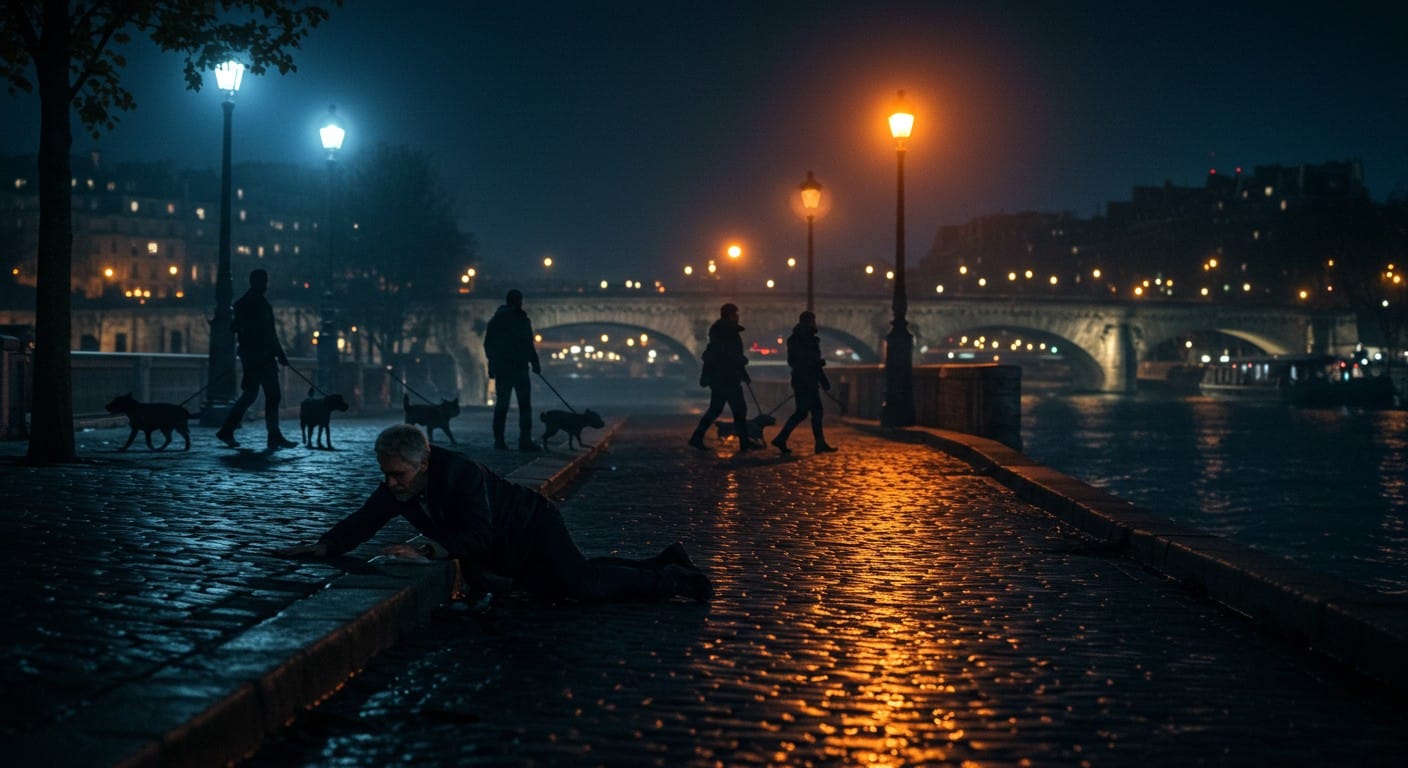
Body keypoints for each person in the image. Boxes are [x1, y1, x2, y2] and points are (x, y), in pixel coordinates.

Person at [272, 424, 711, 604]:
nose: (390, 484)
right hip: (506, 545)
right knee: (562, 582)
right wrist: (325, 545)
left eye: (398, 474)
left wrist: (426, 549)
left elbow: (477, 535)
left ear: (423, 463)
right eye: (386, 475)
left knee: (580, 585)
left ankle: (671, 581)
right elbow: (364, 520)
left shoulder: (459, 474)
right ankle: (664, 560)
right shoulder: (400, 486)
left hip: (532, 526)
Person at [216, 269, 297, 450]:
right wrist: (280, 354)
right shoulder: (259, 303)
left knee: (251, 395)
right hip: (263, 357)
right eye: (265, 281)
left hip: (252, 356)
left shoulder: (243, 303)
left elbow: (236, 328)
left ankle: (227, 430)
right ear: (259, 282)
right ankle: (272, 435)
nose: (266, 285)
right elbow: (268, 333)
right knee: (271, 395)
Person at [688, 303, 757, 451]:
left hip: (721, 378)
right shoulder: (728, 333)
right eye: (736, 313)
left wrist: (742, 371)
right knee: (739, 410)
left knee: (716, 409)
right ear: (730, 315)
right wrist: (742, 363)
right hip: (728, 378)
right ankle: (744, 442)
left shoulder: (720, 332)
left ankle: (697, 437)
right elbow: (731, 355)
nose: (738, 316)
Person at [771, 311, 837, 454]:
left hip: (801, 380)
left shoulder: (794, 339)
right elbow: (810, 362)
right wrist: (819, 369)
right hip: (807, 381)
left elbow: (793, 361)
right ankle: (816, 443)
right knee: (811, 412)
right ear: (810, 322)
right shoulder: (809, 340)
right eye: (813, 321)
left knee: (805, 412)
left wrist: (816, 368)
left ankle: (784, 438)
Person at [483, 289, 541, 451]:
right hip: (519, 367)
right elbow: (527, 343)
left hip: (502, 368)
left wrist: (492, 365)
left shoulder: (495, 320)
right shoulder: (521, 319)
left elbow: (488, 345)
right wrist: (535, 363)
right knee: (524, 405)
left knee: (502, 405)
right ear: (518, 301)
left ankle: (499, 441)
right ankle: (525, 440)